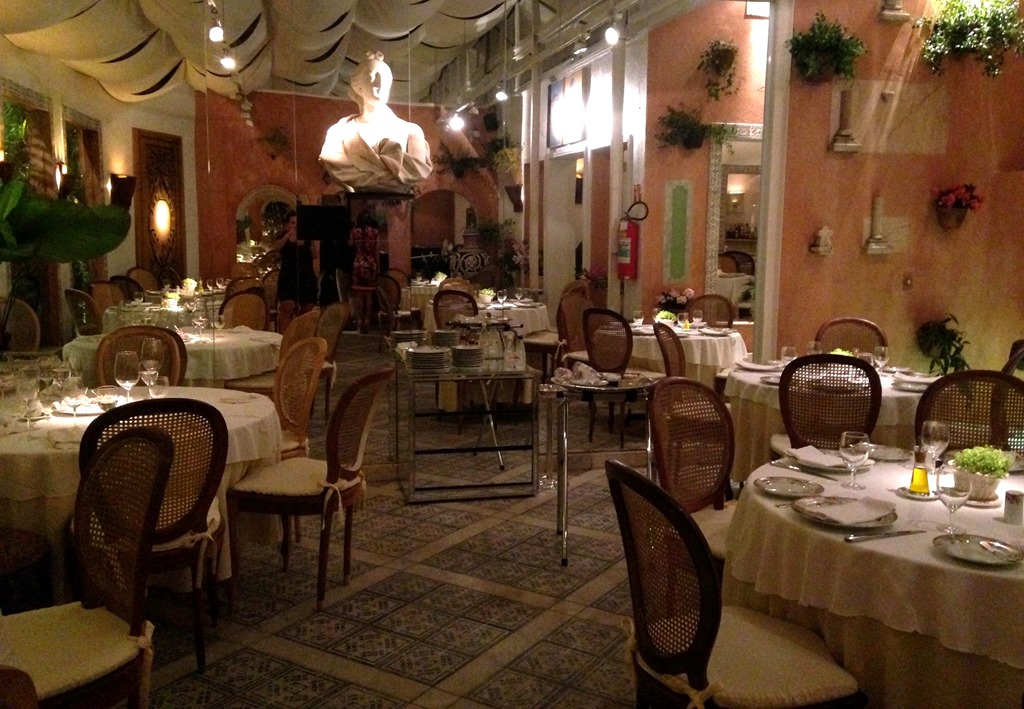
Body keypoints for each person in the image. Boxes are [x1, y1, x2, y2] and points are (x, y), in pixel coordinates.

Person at [319, 51, 432, 192]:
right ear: (358, 86)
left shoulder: (412, 131)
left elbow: (417, 171)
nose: (380, 83)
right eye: (373, 76)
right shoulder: (340, 132)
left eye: (385, 78)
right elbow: (335, 165)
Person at [270, 211, 319, 334]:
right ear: (287, 224)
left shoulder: (307, 238)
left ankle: (301, 337)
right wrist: (288, 235)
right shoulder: (283, 236)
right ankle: (284, 338)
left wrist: (312, 237)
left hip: (306, 276)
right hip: (288, 276)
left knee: (307, 311)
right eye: (292, 222)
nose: (295, 225)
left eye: (298, 223)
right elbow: (275, 248)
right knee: (287, 309)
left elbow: (315, 254)